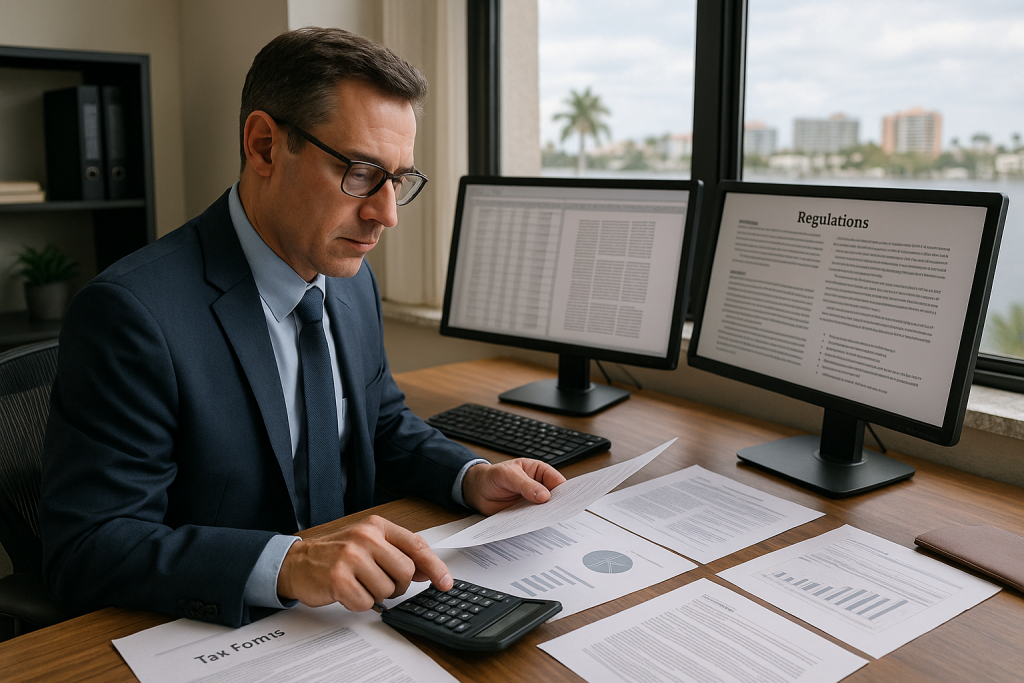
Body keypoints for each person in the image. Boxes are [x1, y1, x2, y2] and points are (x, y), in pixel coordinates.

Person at [38, 27, 565, 628]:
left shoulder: (348, 275)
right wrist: (287, 563)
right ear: (264, 145)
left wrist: (469, 476)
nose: (385, 214)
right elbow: (88, 548)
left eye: (398, 180)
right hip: (225, 629)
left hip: (362, 614)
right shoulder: (132, 313)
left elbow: (380, 421)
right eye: (362, 172)